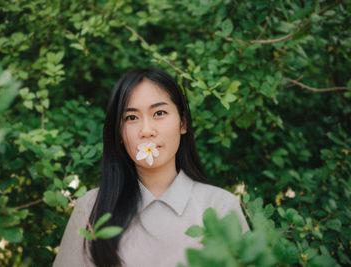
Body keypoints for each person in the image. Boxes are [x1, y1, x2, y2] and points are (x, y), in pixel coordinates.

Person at [53, 67, 249, 267]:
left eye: (159, 113)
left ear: (182, 123)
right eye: (131, 117)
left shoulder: (219, 207)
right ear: (119, 133)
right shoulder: (90, 207)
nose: (146, 131)